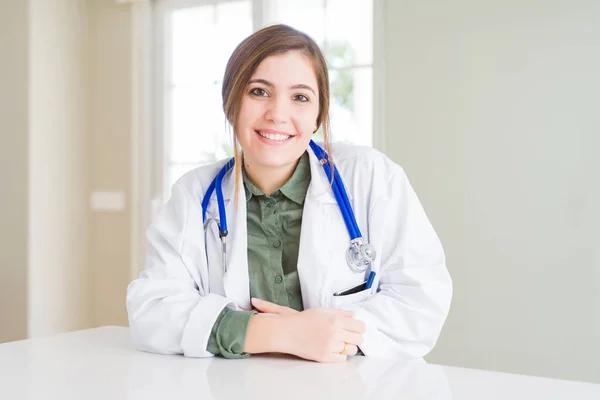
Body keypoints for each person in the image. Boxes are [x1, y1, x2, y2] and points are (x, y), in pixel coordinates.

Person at [126, 24, 452, 363]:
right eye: (259, 92)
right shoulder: (194, 195)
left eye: (300, 97)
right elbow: (152, 310)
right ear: (230, 104)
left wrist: (331, 337)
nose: (277, 114)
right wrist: (282, 333)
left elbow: (421, 301)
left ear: (318, 115)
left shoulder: (372, 178)